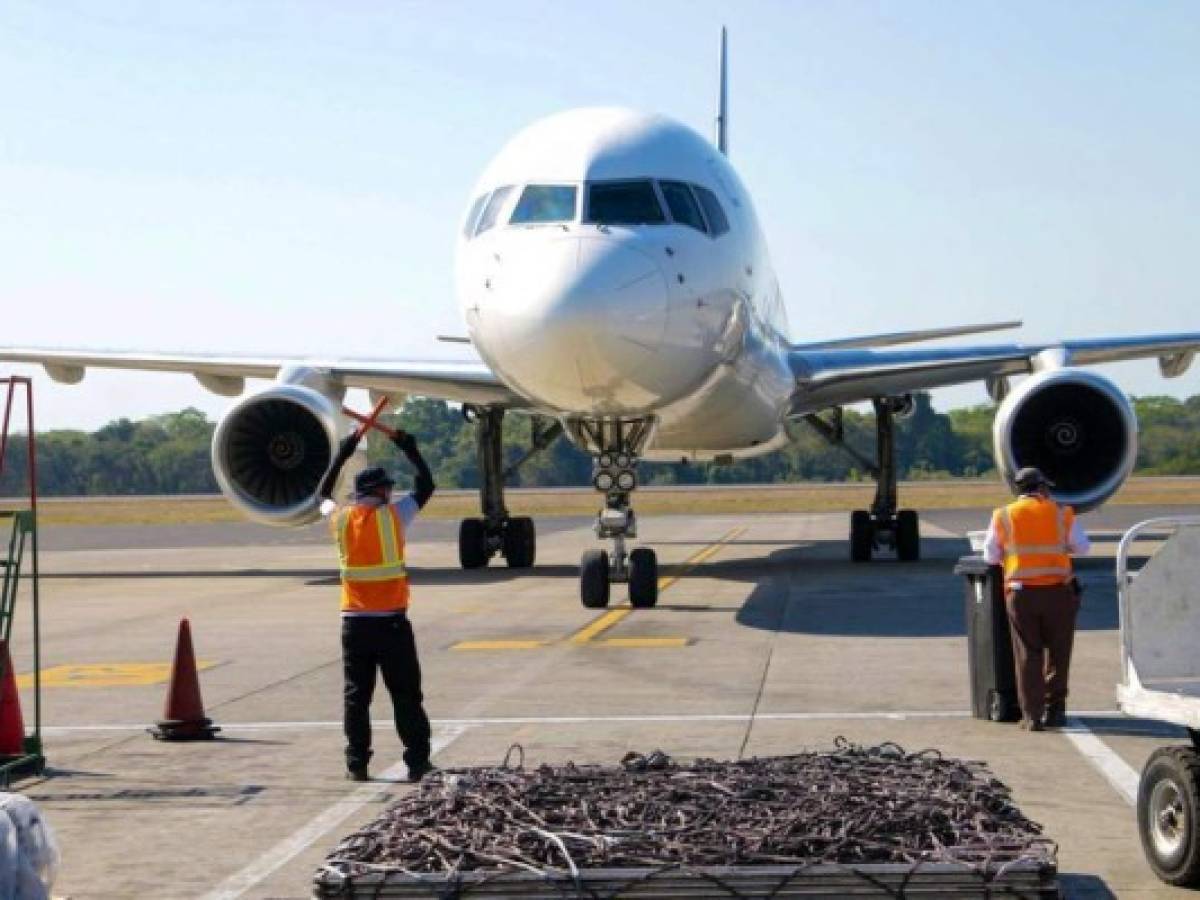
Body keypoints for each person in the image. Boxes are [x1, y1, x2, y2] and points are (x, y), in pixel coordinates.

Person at [317, 426, 436, 782]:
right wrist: (409, 447)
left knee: (357, 698)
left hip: (354, 624)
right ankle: (417, 761)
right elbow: (426, 486)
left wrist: (343, 451)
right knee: (405, 695)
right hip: (392, 625)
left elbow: (321, 493)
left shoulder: (339, 519)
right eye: (388, 488)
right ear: (382, 491)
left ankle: (357, 763)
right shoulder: (395, 516)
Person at [983, 466, 1090, 731]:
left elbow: (990, 556)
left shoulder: (1003, 515)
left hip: (1021, 595)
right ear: (1041, 488)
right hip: (1058, 594)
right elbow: (1083, 548)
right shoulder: (1061, 513)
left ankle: (1032, 716)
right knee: (1059, 653)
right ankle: (1056, 710)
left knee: (1028, 655)